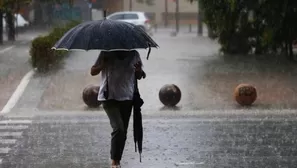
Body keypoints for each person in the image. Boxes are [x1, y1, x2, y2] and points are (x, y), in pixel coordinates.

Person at [90, 50, 145, 168]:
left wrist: (139, 71)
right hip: (108, 97)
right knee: (119, 128)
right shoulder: (105, 53)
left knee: (123, 132)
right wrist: (103, 65)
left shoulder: (134, 54)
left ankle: (117, 160)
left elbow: (139, 76)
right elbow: (93, 71)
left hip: (127, 97)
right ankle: (114, 161)